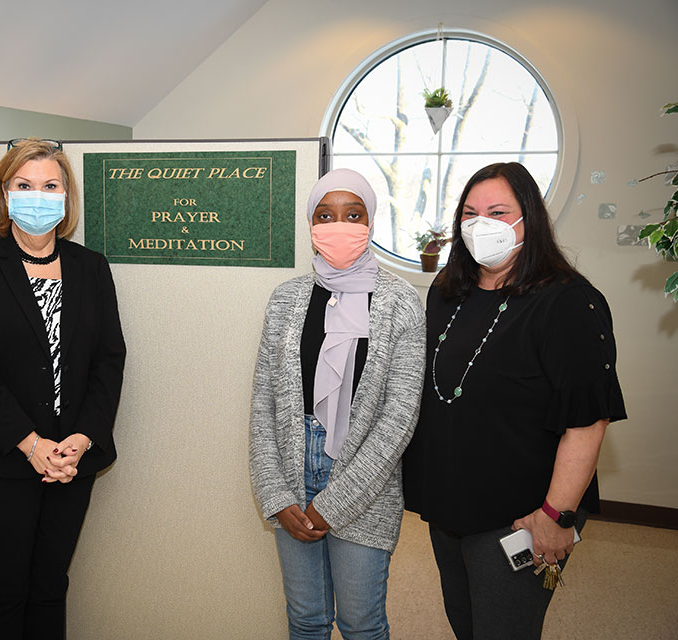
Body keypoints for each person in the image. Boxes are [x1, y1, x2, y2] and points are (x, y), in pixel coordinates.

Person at [403, 162, 627, 640]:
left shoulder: (567, 303)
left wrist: (556, 516)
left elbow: (588, 421)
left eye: (498, 212)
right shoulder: (447, 293)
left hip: (523, 514)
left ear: (530, 219)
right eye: (470, 213)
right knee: (464, 622)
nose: (481, 224)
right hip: (449, 503)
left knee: (503, 630)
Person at [0, 138, 126, 639]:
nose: (38, 196)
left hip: (71, 460)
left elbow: (109, 360)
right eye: (24, 185)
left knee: (50, 584)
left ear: (67, 197)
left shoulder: (91, 266)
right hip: (2, 458)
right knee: (4, 589)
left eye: (50, 186)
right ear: (4, 195)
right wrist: (31, 443)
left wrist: (82, 439)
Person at [249, 169, 426, 640]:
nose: (338, 225)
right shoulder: (286, 299)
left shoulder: (401, 302)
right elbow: (264, 405)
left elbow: (399, 418)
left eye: (353, 214)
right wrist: (276, 494)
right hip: (291, 471)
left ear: (371, 222)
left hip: (366, 482)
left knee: (360, 623)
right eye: (325, 215)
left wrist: (336, 501)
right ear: (310, 225)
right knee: (305, 620)